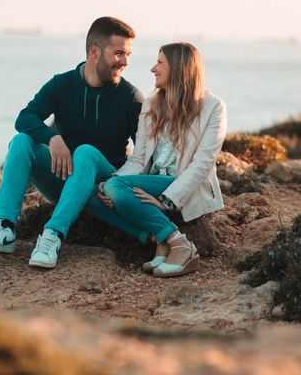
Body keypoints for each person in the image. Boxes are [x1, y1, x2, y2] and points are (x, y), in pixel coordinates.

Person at [0, 16, 144, 268]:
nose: (125, 62)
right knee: (21, 142)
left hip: (102, 187)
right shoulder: (62, 84)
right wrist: (52, 139)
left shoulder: (131, 98)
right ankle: (4, 227)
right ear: (94, 52)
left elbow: (143, 153)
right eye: (118, 53)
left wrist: (114, 182)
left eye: (128, 54)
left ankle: (52, 235)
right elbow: (25, 118)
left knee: (85, 152)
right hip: (63, 178)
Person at [95, 42, 226, 277]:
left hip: (184, 186)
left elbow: (202, 164)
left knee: (116, 187)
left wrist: (167, 201)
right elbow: (139, 158)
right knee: (101, 191)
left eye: (159, 63)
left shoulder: (213, 107)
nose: (153, 69)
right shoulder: (151, 104)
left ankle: (180, 244)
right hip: (153, 181)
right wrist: (112, 180)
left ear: (178, 68)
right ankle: (164, 238)